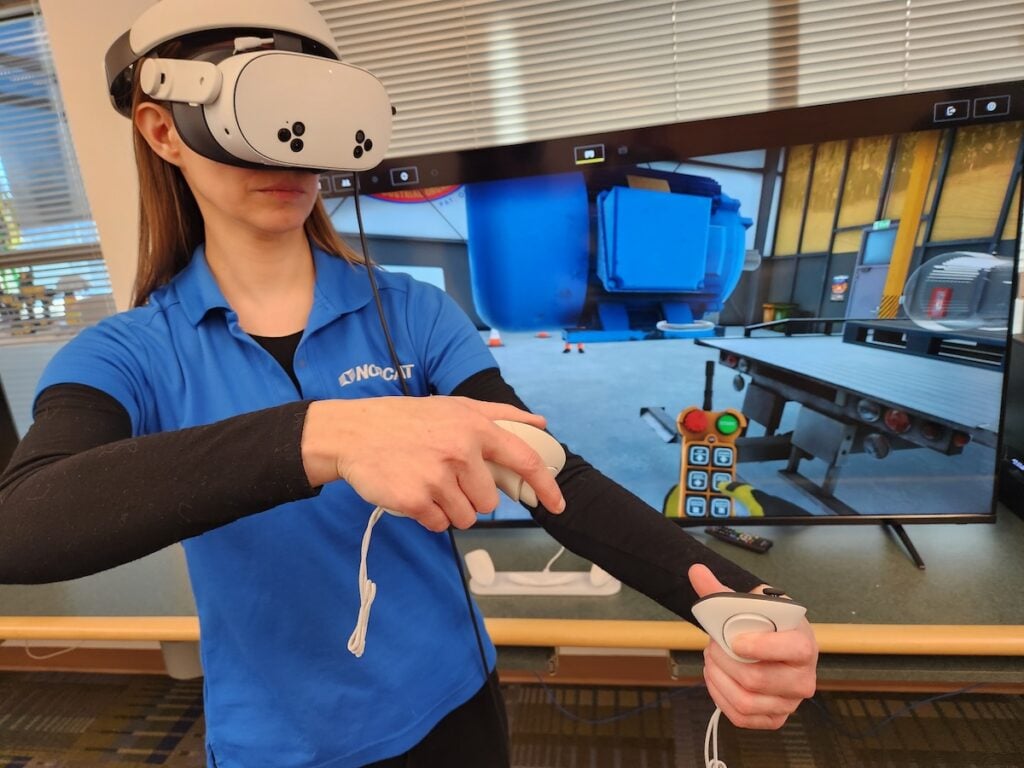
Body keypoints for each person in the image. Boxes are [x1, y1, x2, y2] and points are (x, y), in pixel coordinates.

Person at [0, 2, 817, 766]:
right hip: (275, 740)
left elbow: (549, 474)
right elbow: (24, 524)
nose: (284, 152)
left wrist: (739, 602)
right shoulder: (127, 352)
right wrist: (322, 435)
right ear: (163, 131)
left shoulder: (414, 313)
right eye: (249, 117)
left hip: (449, 705)